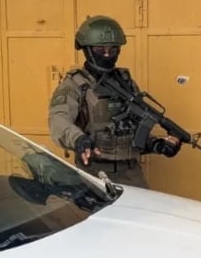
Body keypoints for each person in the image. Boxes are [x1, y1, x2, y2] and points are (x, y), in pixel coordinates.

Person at [49, 15, 181, 188]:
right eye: (100, 49)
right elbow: (58, 120)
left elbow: (133, 128)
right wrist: (78, 139)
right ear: (86, 49)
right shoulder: (75, 85)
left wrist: (156, 144)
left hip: (131, 173)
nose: (106, 54)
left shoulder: (126, 82)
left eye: (113, 50)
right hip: (94, 173)